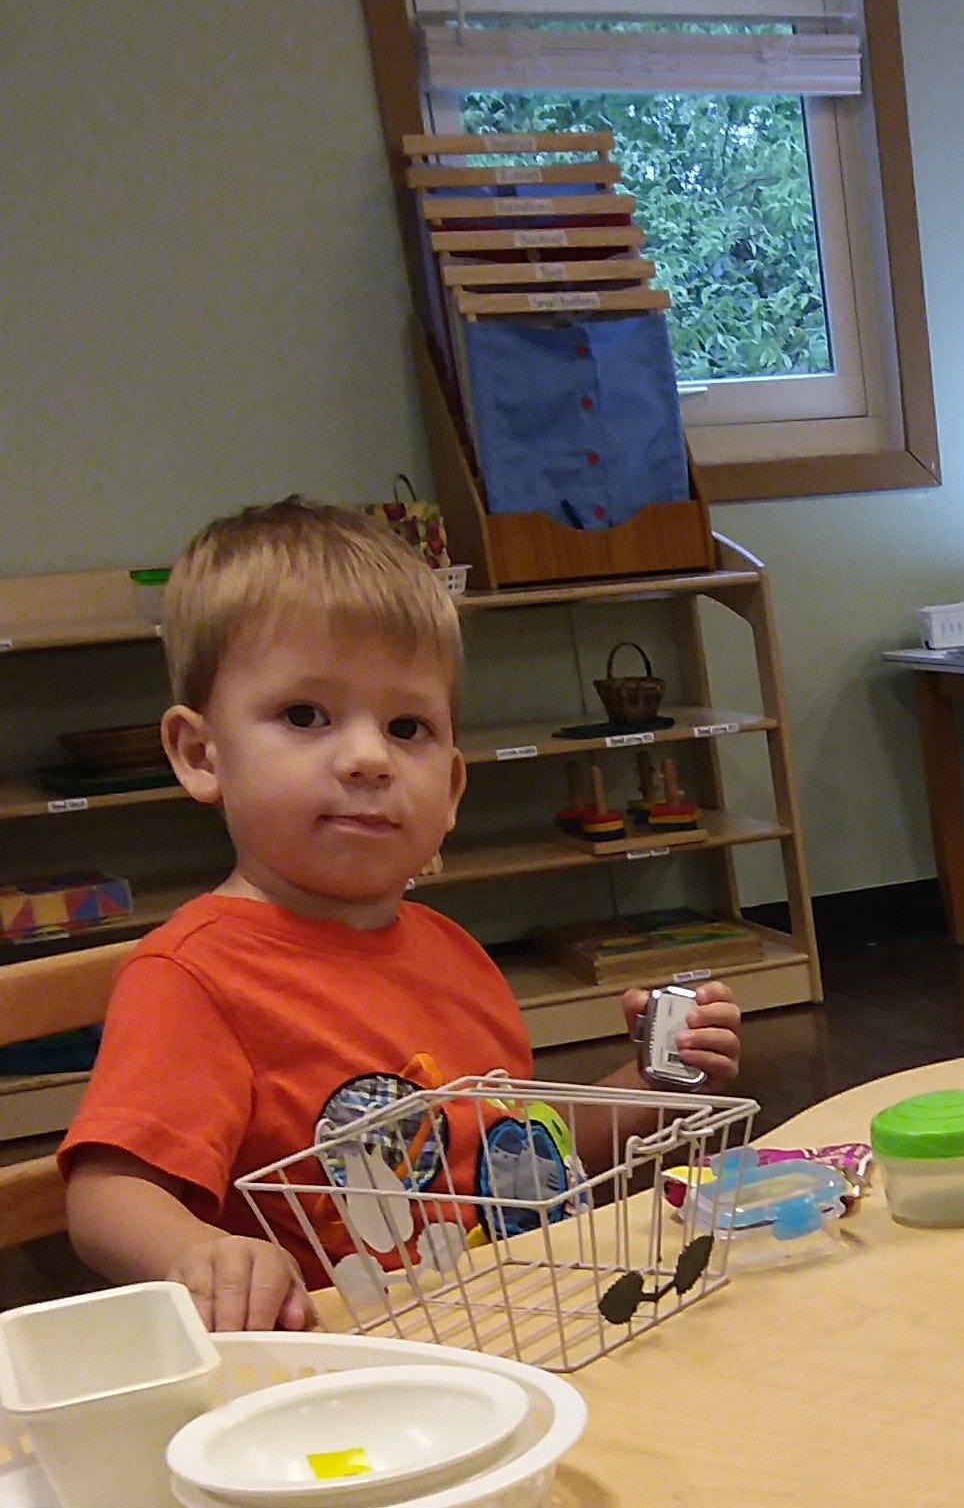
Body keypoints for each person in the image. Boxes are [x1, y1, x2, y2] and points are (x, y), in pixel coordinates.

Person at [59, 501, 744, 1332]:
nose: (367, 758)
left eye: (407, 726)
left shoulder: (452, 951)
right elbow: (105, 1195)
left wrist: (652, 1084)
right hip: (343, 1368)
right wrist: (198, 1252)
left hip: (511, 1329)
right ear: (202, 755)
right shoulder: (193, 976)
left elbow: (507, 1164)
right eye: (305, 715)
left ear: (451, 790)